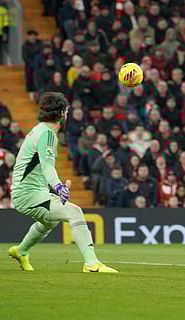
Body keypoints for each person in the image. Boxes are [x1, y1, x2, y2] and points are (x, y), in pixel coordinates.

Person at [9, 92, 118, 273]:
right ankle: (92, 264)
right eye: (66, 111)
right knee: (74, 212)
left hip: (30, 191)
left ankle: (21, 251)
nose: (67, 115)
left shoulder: (39, 130)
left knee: (49, 223)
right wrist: (58, 186)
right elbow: (47, 166)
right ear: (61, 114)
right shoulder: (48, 135)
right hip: (28, 193)